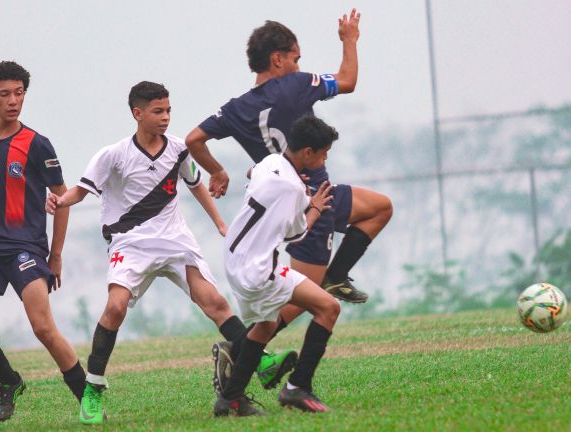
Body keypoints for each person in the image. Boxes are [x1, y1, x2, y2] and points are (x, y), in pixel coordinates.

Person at [45, 81, 294, 425]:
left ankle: (261, 360)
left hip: (176, 241)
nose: (165, 118)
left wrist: (221, 225)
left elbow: (196, 186)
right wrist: (59, 200)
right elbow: (81, 190)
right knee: (115, 308)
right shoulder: (113, 155)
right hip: (130, 244)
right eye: (158, 111)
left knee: (215, 303)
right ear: (138, 113)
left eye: (168, 110)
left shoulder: (178, 150)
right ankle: (93, 389)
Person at [186, 9, 392, 392]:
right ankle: (237, 352)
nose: (300, 64)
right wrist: (349, 40)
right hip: (307, 207)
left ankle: (335, 277)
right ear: (278, 59)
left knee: (379, 208)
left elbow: (193, 139)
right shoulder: (295, 85)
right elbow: (347, 80)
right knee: (299, 304)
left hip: (307, 201)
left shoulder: (236, 108)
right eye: (296, 57)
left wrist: (216, 171)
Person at [0, 61, 86, 422]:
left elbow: (61, 200)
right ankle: (8, 382)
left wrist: (55, 256)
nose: (14, 101)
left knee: (42, 326)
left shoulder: (37, 144)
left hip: (25, 246)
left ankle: (87, 395)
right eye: (5, 94)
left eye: (19, 93)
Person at [214, 115, 341, 416]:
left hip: (234, 258)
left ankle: (230, 399)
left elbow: (252, 172)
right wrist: (313, 207)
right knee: (329, 308)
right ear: (307, 153)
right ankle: (298, 388)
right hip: (259, 269)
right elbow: (295, 233)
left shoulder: (268, 162)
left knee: (267, 324)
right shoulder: (293, 190)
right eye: (323, 152)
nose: (325, 158)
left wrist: (297, 193)